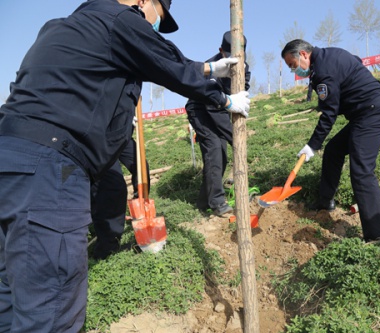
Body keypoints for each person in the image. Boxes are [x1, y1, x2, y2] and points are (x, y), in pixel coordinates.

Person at [0, 0, 250, 331]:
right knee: (50, 309)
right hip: (50, 170)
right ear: (144, 1)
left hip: (10, 160)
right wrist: (223, 99)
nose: (153, 28)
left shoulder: (63, 27)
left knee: (10, 292)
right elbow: (162, 61)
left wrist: (207, 68)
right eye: (156, 19)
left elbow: (155, 57)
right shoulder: (121, 20)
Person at [281, 39, 380, 243]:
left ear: (304, 55)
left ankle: (378, 235)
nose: (293, 70)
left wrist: (312, 145)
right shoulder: (327, 56)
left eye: (293, 65)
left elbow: (329, 114)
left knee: (361, 171)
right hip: (363, 114)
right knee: (333, 150)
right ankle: (326, 201)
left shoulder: (323, 70)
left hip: (372, 114)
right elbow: (354, 64)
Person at [186, 31, 251, 217]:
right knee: (214, 149)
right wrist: (234, 137)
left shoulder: (245, 69)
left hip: (221, 108)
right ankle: (217, 202)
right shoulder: (213, 68)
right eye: (229, 55)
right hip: (200, 109)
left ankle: (203, 200)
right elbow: (211, 104)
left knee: (220, 154)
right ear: (221, 51)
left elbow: (242, 94)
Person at [91, 137, 150, 260]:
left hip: (118, 132)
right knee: (112, 187)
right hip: (98, 136)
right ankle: (107, 249)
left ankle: (140, 214)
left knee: (141, 166)